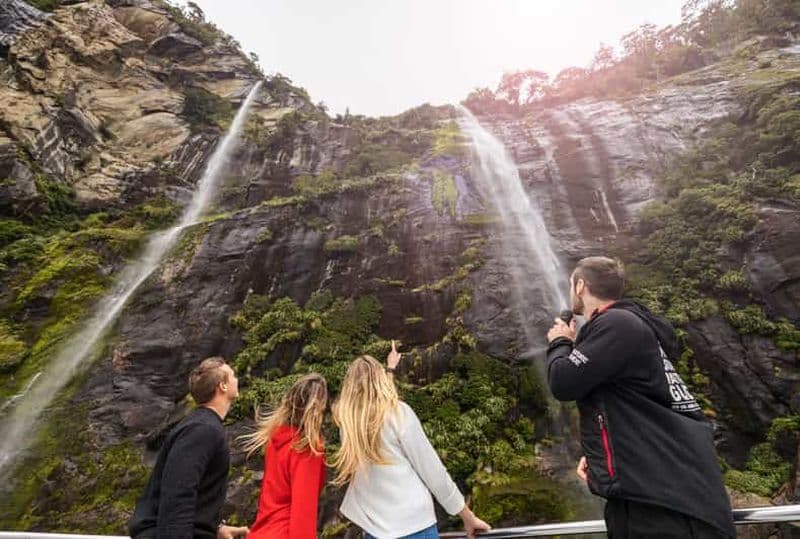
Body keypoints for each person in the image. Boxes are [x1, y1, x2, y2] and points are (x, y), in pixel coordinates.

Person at [545, 256, 736, 538]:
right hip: (661, 494)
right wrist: (602, 456)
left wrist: (561, 342)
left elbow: (563, 382)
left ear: (581, 285)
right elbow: (637, 404)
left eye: (570, 284)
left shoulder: (617, 323)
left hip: (662, 504)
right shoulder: (631, 327)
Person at [331, 341, 490, 539]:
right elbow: (433, 471)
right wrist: (467, 516)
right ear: (379, 380)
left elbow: (374, 410)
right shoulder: (399, 414)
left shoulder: (348, 427)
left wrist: (390, 368)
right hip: (414, 527)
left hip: (375, 530)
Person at [128, 357, 249, 539]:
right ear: (222, 386)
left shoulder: (202, 425)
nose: (237, 379)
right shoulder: (202, 430)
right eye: (233, 375)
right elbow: (179, 491)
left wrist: (215, 528)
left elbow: (197, 492)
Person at [240, 373, 328, 538]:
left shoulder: (277, 438)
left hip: (262, 531)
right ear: (319, 408)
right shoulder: (306, 448)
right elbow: (303, 511)